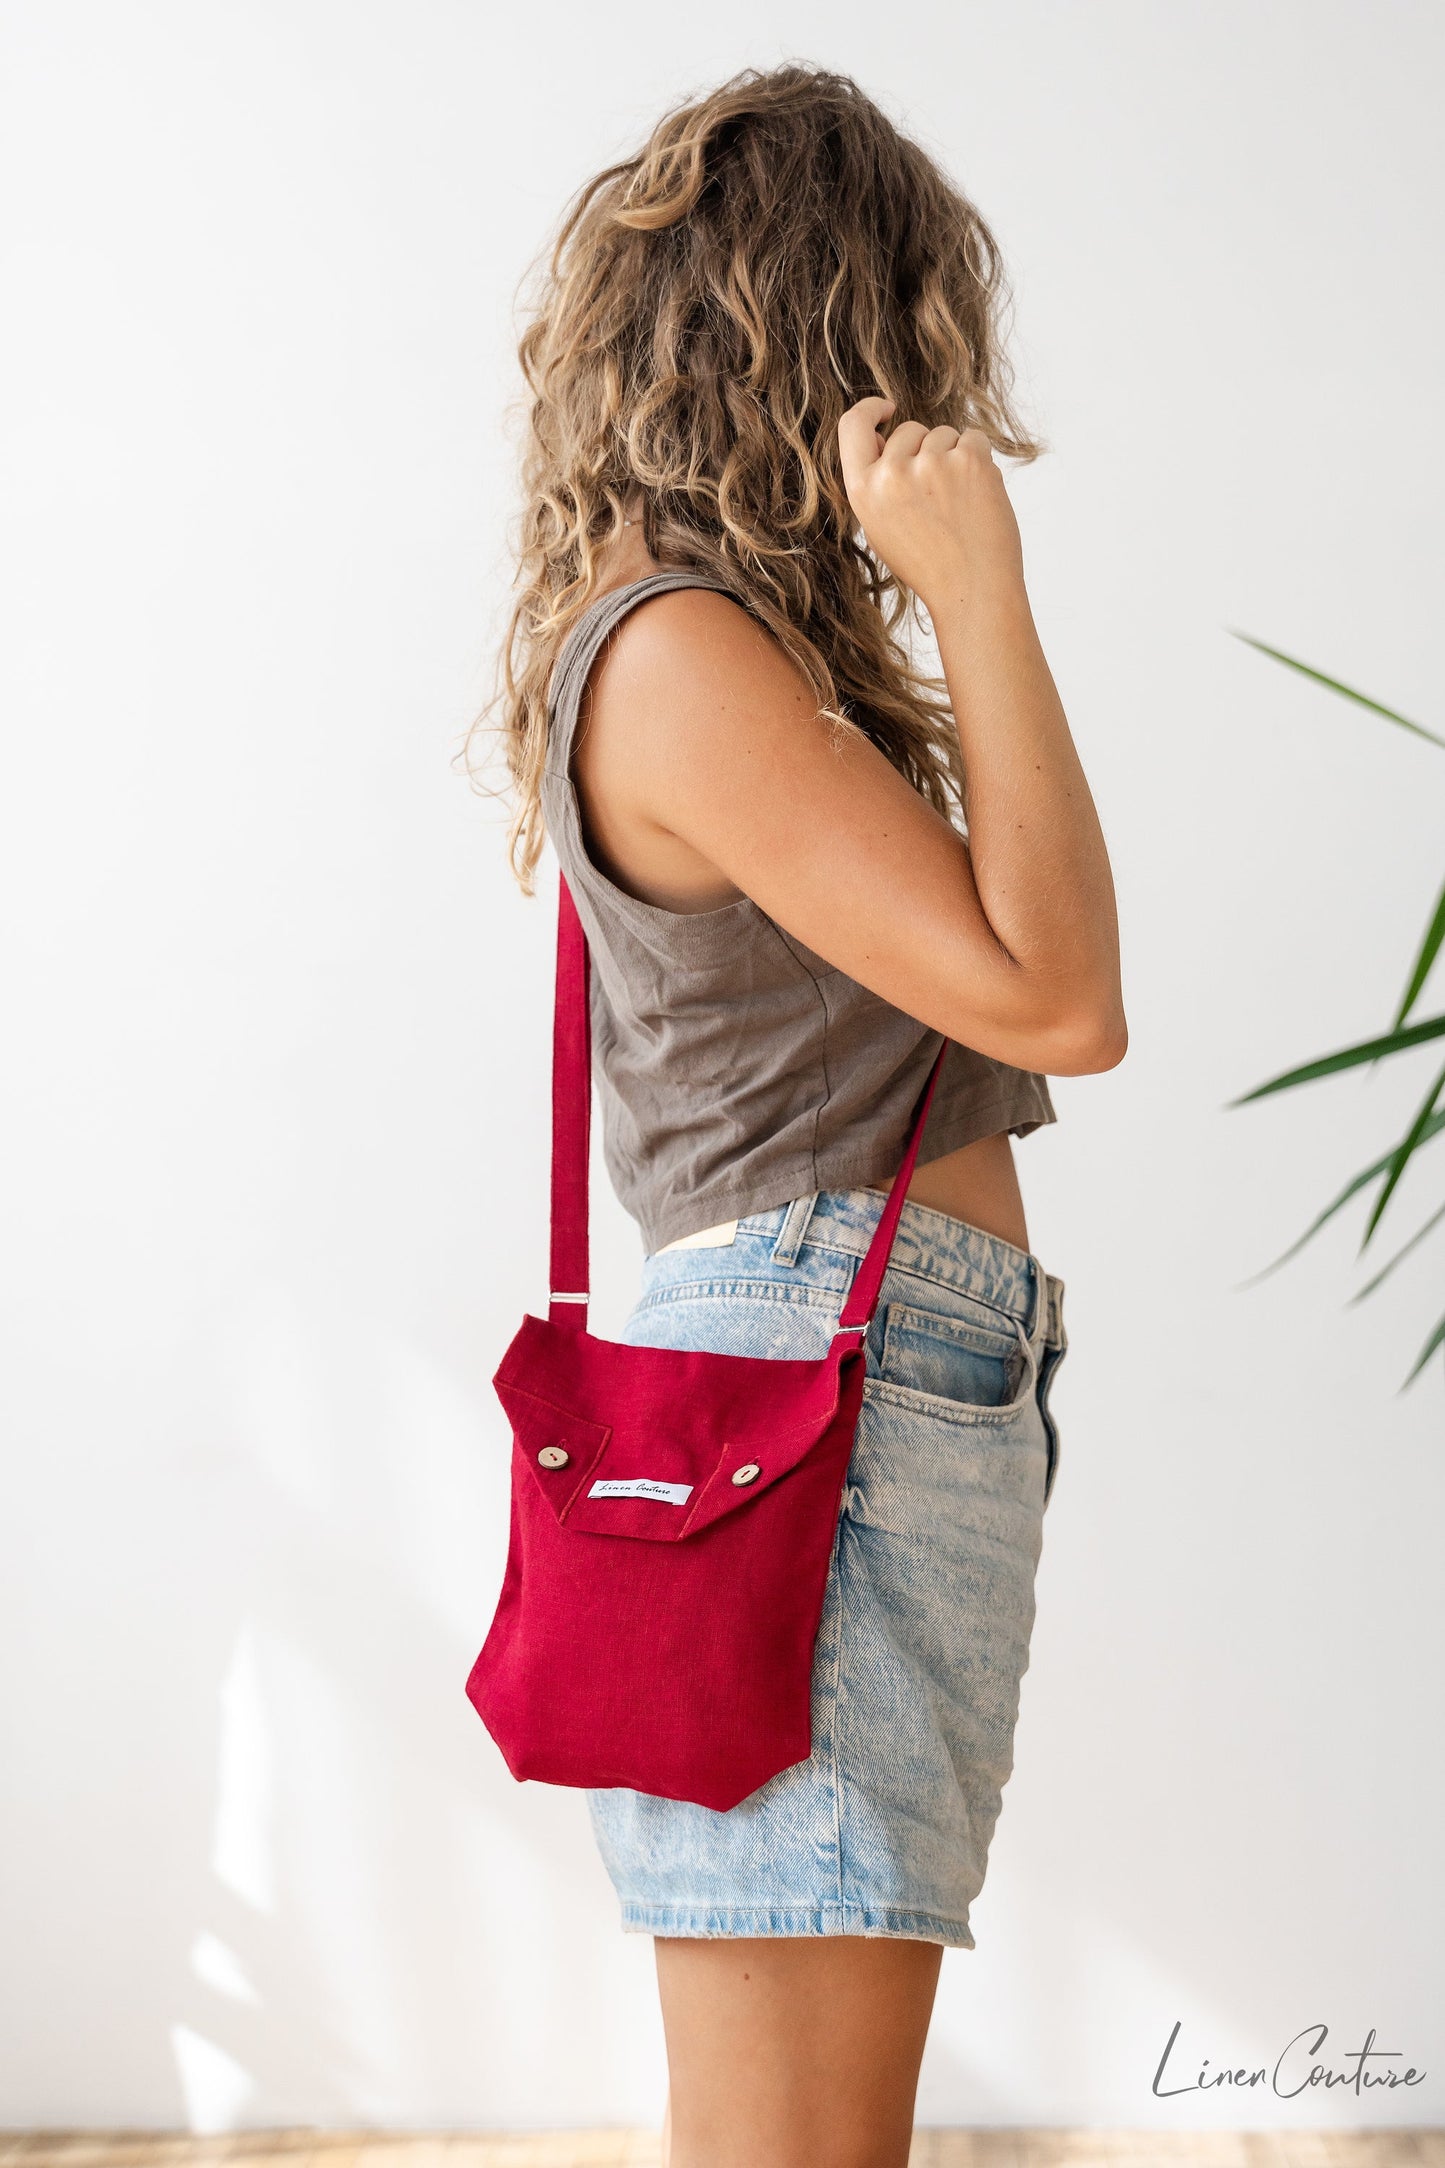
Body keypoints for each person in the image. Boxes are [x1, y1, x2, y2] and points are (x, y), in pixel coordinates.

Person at [478, 62, 1126, 2168]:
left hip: (854, 1380)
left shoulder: (703, 652)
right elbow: (1061, 996)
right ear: (830, 343)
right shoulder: (674, 653)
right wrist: (978, 582)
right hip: (820, 1395)